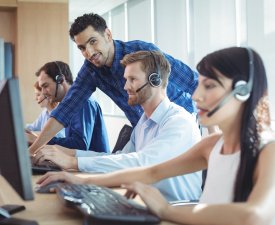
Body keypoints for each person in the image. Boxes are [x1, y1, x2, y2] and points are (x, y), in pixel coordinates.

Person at [37, 47, 275, 224]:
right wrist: (77, 179)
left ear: (243, 91)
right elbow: (149, 172)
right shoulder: (212, 144)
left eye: (210, 86)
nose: (195, 96)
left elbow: (252, 215)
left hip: (176, 211)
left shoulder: (268, 150)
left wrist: (165, 210)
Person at [34, 51, 202, 201]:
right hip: (148, 204)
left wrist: (74, 162)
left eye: (132, 79)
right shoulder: (144, 121)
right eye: (126, 79)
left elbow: (142, 163)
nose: (125, 86)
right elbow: (120, 157)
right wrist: (70, 155)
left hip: (176, 209)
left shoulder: (179, 122)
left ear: (155, 80)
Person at [29, 13, 198, 154]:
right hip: (142, 128)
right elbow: (65, 110)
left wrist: (212, 128)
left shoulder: (141, 52)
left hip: (174, 123)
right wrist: (33, 151)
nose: (89, 52)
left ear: (108, 35)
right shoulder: (91, 70)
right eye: (82, 48)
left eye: (93, 41)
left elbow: (191, 81)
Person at [30, 61, 109, 153]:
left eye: (45, 86)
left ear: (61, 80)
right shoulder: (64, 106)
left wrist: (38, 141)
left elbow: (80, 145)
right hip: (76, 162)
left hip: (92, 164)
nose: (43, 92)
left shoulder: (83, 101)